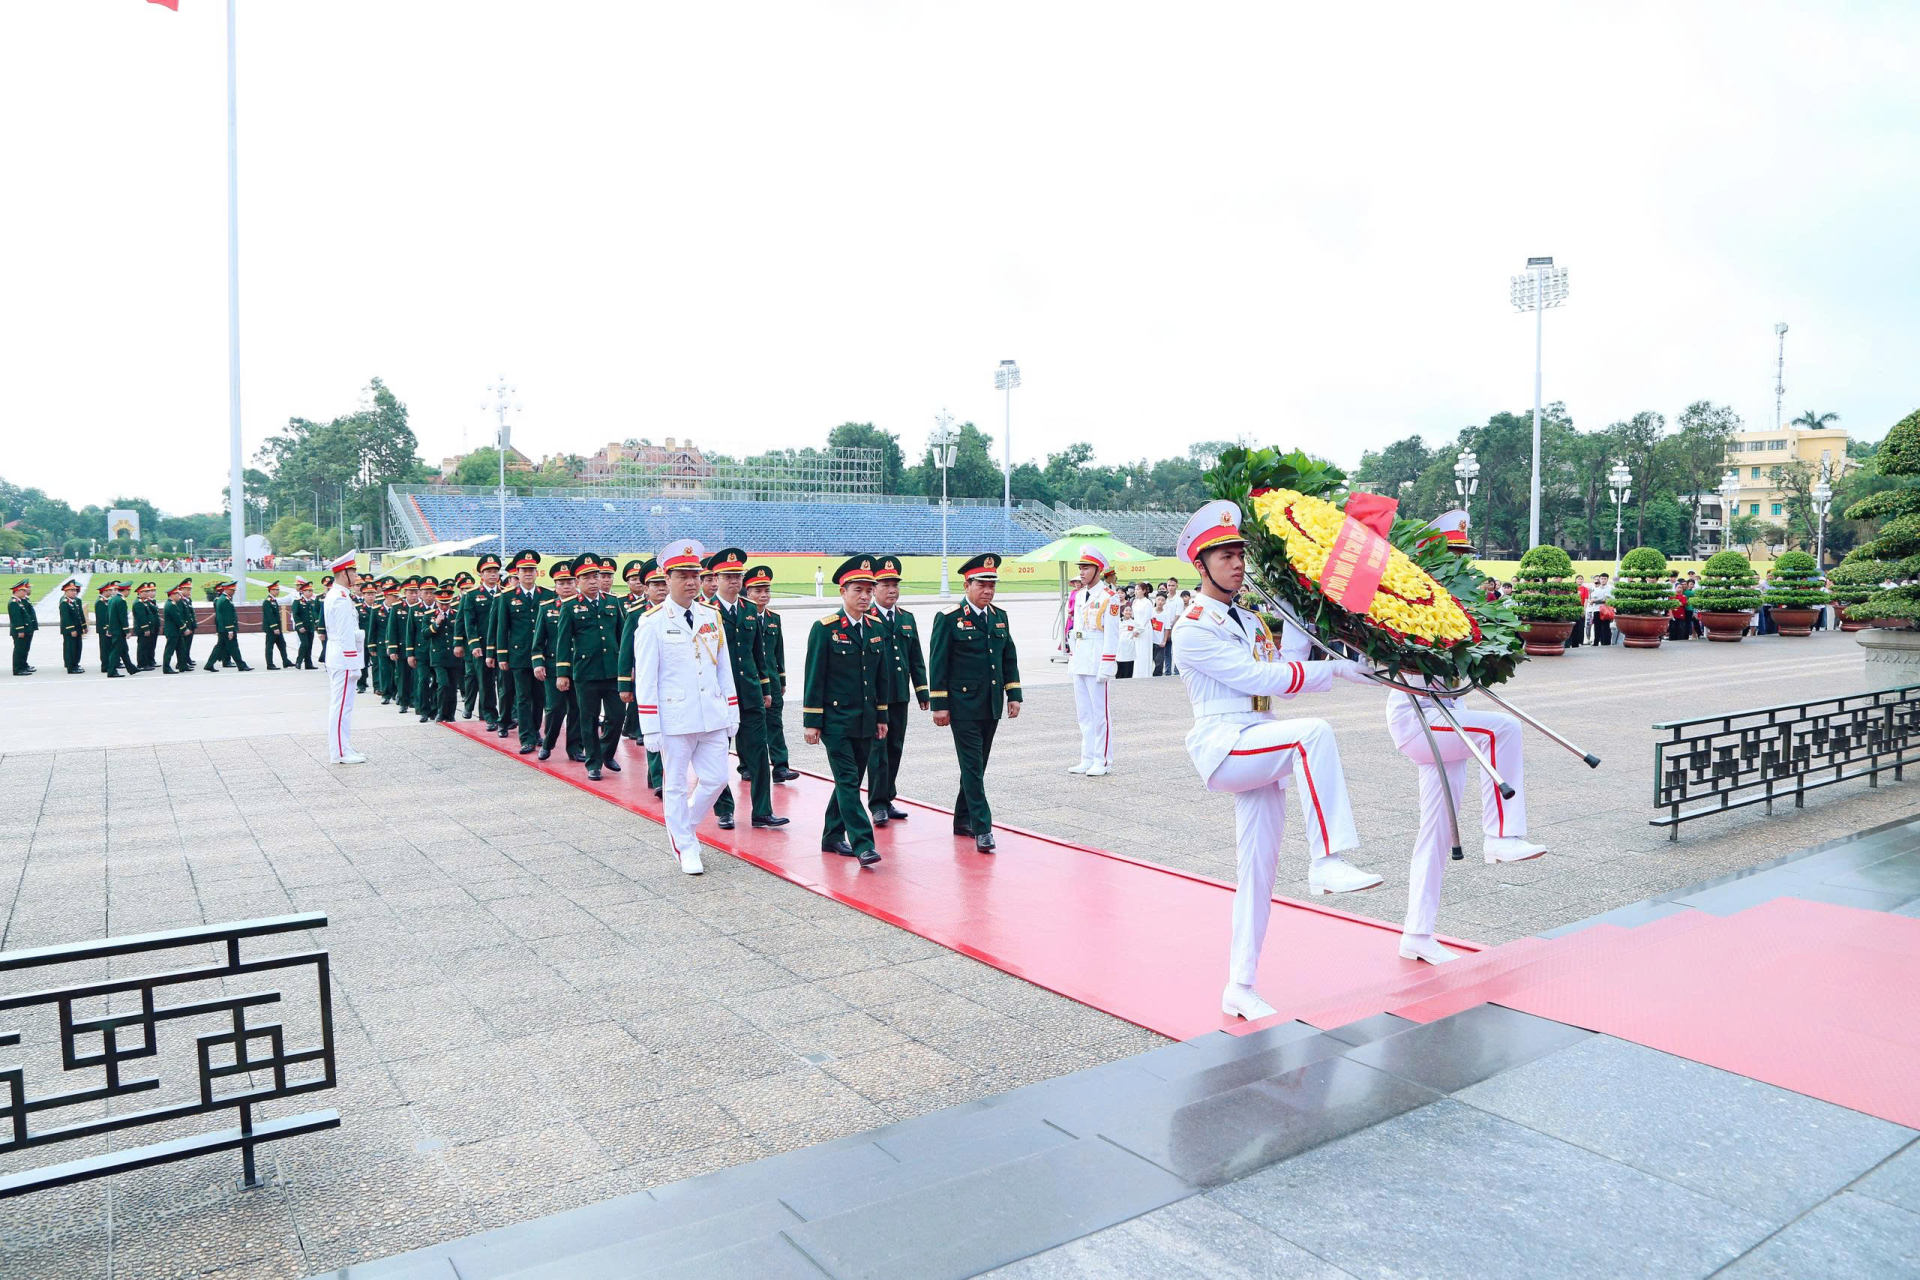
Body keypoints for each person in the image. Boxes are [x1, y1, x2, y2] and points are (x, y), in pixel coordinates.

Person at [1172, 501, 1378, 1021]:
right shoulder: (1193, 625)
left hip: (1259, 739)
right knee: (1314, 734)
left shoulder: (1248, 619)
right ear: (1201, 565)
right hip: (1225, 746)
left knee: (1258, 872)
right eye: (1224, 555)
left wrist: (1305, 622)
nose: (1237, 563)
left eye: (1240, 553)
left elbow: (1283, 671)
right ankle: (1326, 860)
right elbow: (1259, 680)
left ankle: (1239, 985)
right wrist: (1331, 672)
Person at [1386, 675, 1546, 964]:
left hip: (1448, 713)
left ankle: (1416, 936)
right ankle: (1501, 835)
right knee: (1503, 728)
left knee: (1437, 831)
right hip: (1418, 718)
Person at [629, 538, 736, 873]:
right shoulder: (652, 622)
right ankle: (685, 848)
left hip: (712, 713)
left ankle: (684, 824)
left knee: (717, 779)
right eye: (683, 575)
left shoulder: (711, 616)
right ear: (667, 578)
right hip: (674, 717)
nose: (691, 581)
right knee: (674, 786)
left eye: (695, 574)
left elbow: (723, 667)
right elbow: (645, 679)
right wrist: (651, 727)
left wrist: (732, 711)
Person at [928, 553, 1022, 852]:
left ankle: (962, 819)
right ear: (966, 584)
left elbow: (1008, 657)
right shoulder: (949, 618)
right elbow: (938, 663)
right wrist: (939, 704)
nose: (988, 591)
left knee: (976, 766)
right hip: (962, 705)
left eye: (992, 585)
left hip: (991, 704)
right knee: (971, 765)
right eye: (982, 585)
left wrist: (1014, 694)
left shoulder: (999, 616)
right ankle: (983, 827)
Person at [805, 555, 890, 866]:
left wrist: (882, 716)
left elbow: (882, 678)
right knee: (848, 779)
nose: (865, 596)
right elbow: (815, 676)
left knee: (848, 781)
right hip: (836, 721)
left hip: (866, 720)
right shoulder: (825, 629)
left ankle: (831, 836)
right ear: (843, 592)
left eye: (869, 590)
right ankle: (863, 843)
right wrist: (812, 721)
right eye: (858, 590)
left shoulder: (877, 628)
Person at [706, 548, 785, 830]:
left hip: (750, 692)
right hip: (719, 695)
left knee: (758, 755)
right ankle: (724, 809)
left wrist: (765, 688)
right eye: (728, 576)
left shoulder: (750, 610)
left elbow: (759, 654)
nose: (734, 581)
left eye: (738, 576)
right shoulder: (705, 611)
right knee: (717, 755)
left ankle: (762, 810)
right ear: (716, 578)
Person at [862, 555, 927, 827]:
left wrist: (923, 692)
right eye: (886, 585)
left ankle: (887, 797)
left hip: (899, 695)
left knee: (895, 748)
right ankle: (876, 803)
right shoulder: (866, 618)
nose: (892, 590)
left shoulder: (906, 618)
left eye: (895, 585)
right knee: (877, 750)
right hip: (877, 698)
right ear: (874, 588)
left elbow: (916, 658)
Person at [554, 553, 627, 781]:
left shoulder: (613, 602)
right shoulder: (569, 607)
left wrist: (627, 668)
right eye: (587, 578)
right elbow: (563, 642)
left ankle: (606, 753)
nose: (593, 581)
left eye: (596, 576)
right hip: (586, 672)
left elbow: (622, 638)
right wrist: (562, 673)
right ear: (578, 582)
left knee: (616, 717)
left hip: (612, 671)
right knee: (589, 718)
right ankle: (593, 763)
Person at [1066, 547, 1123, 776]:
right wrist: (1072, 659)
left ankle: (1102, 759)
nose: (1081, 572)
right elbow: (1076, 630)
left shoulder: (1110, 598)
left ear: (1098, 570)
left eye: (1086, 568)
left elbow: (1112, 634)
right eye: (1080, 567)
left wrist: (1108, 664)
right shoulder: (1080, 596)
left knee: (1100, 714)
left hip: (1098, 656)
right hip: (1081, 656)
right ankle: (1087, 757)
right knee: (1084, 714)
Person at [490, 550, 550, 753]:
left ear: (536, 572)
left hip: (541, 656)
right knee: (523, 698)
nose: (528, 573)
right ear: (517, 573)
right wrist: (502, 656)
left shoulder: (546, 595)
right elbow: (502, 628)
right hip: (519, 655)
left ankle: (535, 730)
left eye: (531, 569)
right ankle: (526, 738)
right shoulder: (507, 597)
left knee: (539, 697)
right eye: (524, 570)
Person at [744, 564, 799, 783]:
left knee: (775, 723)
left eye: (766, 590)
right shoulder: (743, 617)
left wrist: (782, 679)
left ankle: (780, 765)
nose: (763, 595)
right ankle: (746, 765)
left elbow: (779, 652)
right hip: (750, 680)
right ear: (748, 592)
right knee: (749, 725)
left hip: (773, 681)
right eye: (758, 591)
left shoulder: (774, 618)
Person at [530, 558, 585, 761]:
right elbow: (538, 642)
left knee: (577, 709)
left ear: (576, 583)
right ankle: (548, 743)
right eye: (561, 583)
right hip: (554, 667)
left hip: (579, 666)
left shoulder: (583, 606)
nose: (566, 586)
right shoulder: (546, 608)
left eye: (569, 582)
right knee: (554, 708)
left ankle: (575, 748)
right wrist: (538, 663)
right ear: (555, 586)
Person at [322, 552, 365, 763]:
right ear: (343, 572)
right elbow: (346, 634)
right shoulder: (339, 599)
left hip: (338, 655)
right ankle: (339, 752)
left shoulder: (339, 595)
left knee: (343, 706)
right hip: (343, 657)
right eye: (353, 571)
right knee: (341, 707)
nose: (356, 575)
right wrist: (354, 663)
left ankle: (343, 746)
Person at [458, 553, 505, 725]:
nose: (493, 574)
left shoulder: (504, 594)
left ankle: (507, 715)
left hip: (502, 645)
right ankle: (489, 715)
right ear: (481, 574)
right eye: (489, 571)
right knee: (485, 682)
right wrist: (473, 644)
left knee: (504, 682)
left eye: (495, 571)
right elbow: (468, 622)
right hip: (482, 644)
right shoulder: (471, 595)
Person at [423, 581, 462, 722]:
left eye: (447, 603)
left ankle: (450, 714)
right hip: (438, 656)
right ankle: (440, 711)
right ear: (437, 602)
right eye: (441, 603)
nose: (444, 606)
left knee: (452, 687)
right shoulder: (429, 615)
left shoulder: (456, 615)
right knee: (442, 683)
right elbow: (425, 634)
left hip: (453, 656)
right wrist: (436, 624)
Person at [161, 581, 191, 673]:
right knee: (169, 650)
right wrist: (185, 629)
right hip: (172, 631)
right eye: (178, 594)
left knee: (181, 649)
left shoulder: (171, 604)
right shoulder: (171, 605)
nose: (179, 596)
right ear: (172, 594)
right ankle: (166, 667)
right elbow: (177, 619)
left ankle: (183, 665)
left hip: (176, 631)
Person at [260, 582, 291, 669]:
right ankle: (270, 664)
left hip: (277, 628)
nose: (278, 591)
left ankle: (286, 661)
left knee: (282, 644)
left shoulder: (273, 600)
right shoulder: (267, 602)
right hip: (272, 629)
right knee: (270, 646)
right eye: (276, 590)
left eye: (278, 590)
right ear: (271, 590)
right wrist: (274, 627)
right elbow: (269, 616)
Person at [8, 580, 36, 676]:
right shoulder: (13, 603)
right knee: (19, 650)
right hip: (19, 631)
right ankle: (18, 669)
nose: (25, 592)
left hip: (25, 630)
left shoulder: (19, 602)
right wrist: (20, 630)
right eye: (23, 591)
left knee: (24, 649)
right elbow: (16, 618)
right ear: (17, 591)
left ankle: (23, 666)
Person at [59, 578, 87, 674]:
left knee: (77, 647)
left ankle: (75, 663)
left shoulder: (73, 601)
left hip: (77, 628)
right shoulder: (64, 603)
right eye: (72, 590)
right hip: (70, 630)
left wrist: (84, 626)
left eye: (75, 590)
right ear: (66, 591)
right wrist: (72, 629)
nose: (74, 592)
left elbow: (80, 615)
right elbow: (66, 617)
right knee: (70, 648)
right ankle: (71, 667)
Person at [133, 582, 161, 670]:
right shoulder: (138, 603)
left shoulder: (145, 602)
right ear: (140, 593)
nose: (148, 593)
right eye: (145, 592)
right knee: (143, 646)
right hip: (142, 629)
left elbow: (154, 610)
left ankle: (148, 662)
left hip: (149, 627)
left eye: (148, 591)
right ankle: (142, 664)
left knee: (149, 645)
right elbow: (142, 617)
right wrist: (146, 628)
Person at [292, 580, 319, 668]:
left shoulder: (312, 601)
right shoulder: (297, 601)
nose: (311, 592)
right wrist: (299, 625)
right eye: (309, 591)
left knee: (309, 645)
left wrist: (316, 625)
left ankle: (308, 664)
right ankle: (298, 661)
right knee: (305, 644)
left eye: (311, 591)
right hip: (302, 627)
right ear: (303, 591)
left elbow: (314, 614)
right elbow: (295, 615)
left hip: (310, 627)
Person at [1588, 572, 1614, 647]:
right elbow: (1592, 600)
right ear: (1599, 579)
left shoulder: (1610, 589)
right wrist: (1596, 600)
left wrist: (1595, 600)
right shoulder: (1596, 589)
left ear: (1607, 580)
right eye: (1602, 578)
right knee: (1597, 627)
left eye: (1605, 579)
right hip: (1596, 610)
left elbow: (1606, 600)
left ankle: (1606, 643)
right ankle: (1596, 642)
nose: (1603, 580)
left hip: (1606, 610)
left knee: (1606, 627)